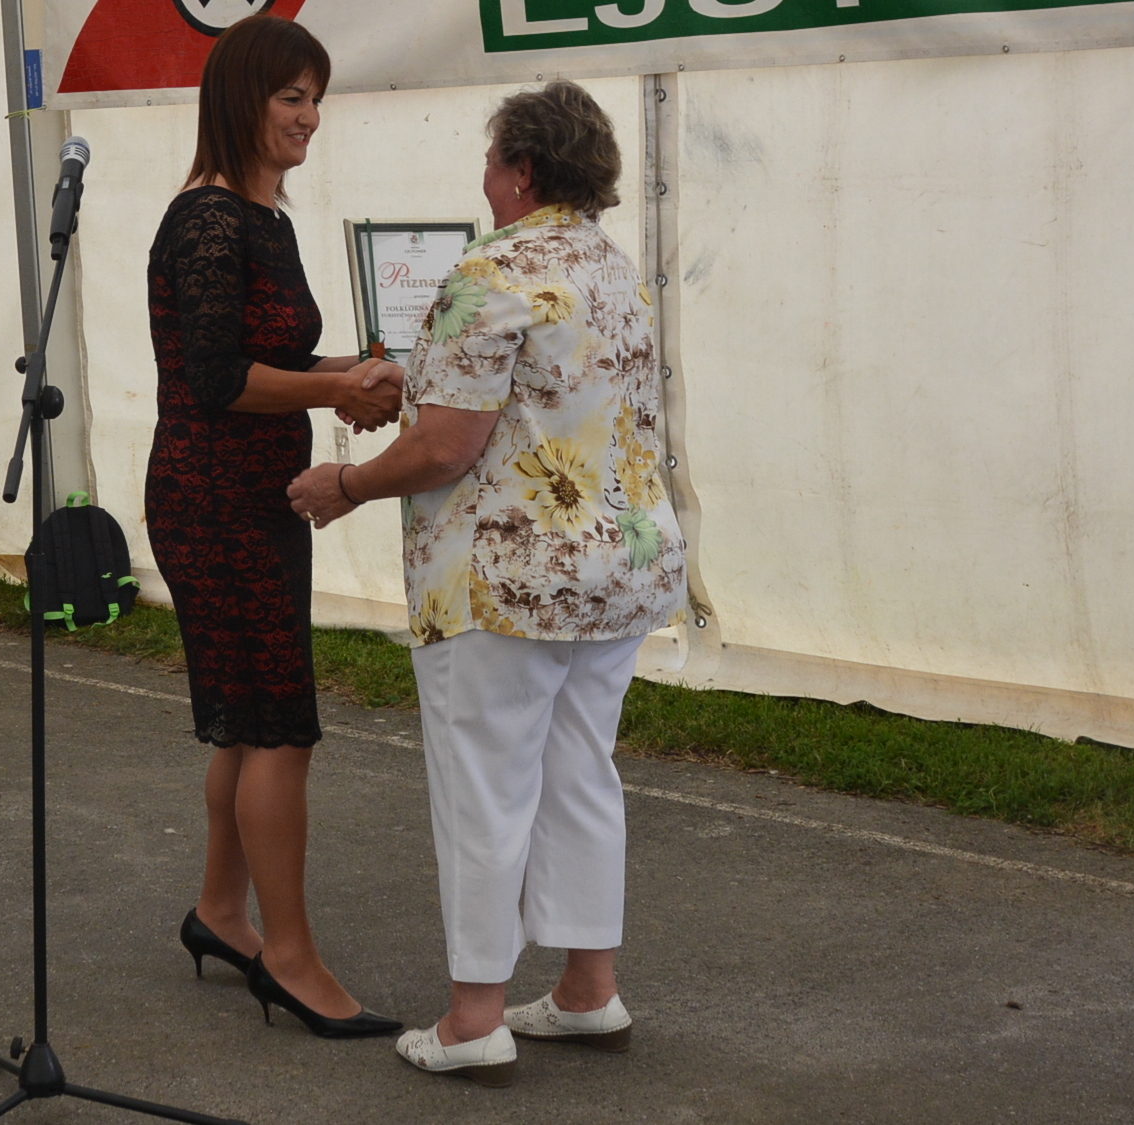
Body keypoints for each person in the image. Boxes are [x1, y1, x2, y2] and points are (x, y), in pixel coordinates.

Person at [288, 80, 689, 1083]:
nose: (482, 176)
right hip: (617, 567)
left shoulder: (492, 270)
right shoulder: (614, 267)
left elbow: (445, 447)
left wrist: (344, 484)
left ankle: (473, 1018)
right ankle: (588, 991)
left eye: (489, 159)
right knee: (580, 775)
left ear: (520, 170)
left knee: (484, 793)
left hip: (503, 582)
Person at [146, 14, 403, 1039]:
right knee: (279, 728)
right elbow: (216, 378)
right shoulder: (208, 221)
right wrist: (337, 387)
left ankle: (220, 911)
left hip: (254, 494)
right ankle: (289, 961)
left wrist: (354, 372)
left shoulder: (264, 218)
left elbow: (273, 360)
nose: (309, 118)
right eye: (291, 98)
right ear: (241, 101)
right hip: (214, 499)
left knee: (247, 720)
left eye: (315, 99)